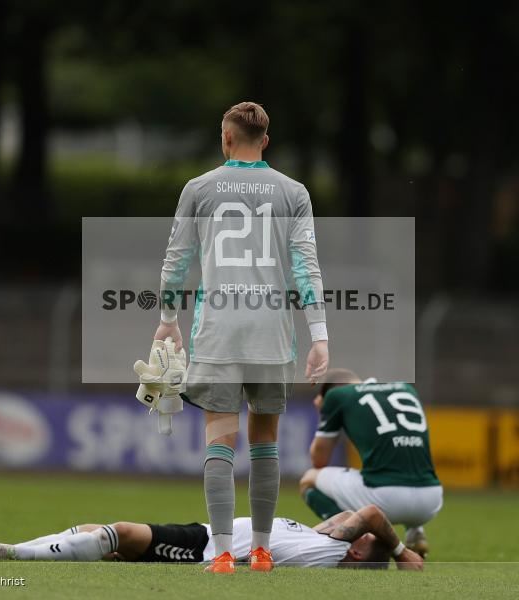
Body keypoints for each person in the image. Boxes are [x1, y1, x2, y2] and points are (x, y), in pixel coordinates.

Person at [151, 101, 328, 573]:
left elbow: (176, 259)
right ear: (265, 140)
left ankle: (225, 552)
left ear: (226, 137)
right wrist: (320, 335)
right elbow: (306, 265)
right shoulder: (294, 192)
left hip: (219, 332)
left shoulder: (199, 188)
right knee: (266, 440)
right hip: (272, 334)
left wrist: (168, 318)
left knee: (220, 441)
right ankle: (264, 551)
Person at [0, 504, 422, 571]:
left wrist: (400, 554)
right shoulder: (324, 538)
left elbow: (375, 514)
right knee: (94, 530)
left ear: (358, 549)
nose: (344, 520)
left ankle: (16, 556)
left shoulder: (336, 555)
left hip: (210, 549)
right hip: (208, 534)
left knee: (120, 534)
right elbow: (358, 515)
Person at [299, 369, 442, 558]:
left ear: (331, 390)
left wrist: (326, 412)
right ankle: (415, 532)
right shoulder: (406, 389)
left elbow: (319, 460)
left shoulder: (338, 396)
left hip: (385, 498)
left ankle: (362, 535)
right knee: (399, 463)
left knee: (308, 479)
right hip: (431, 500)